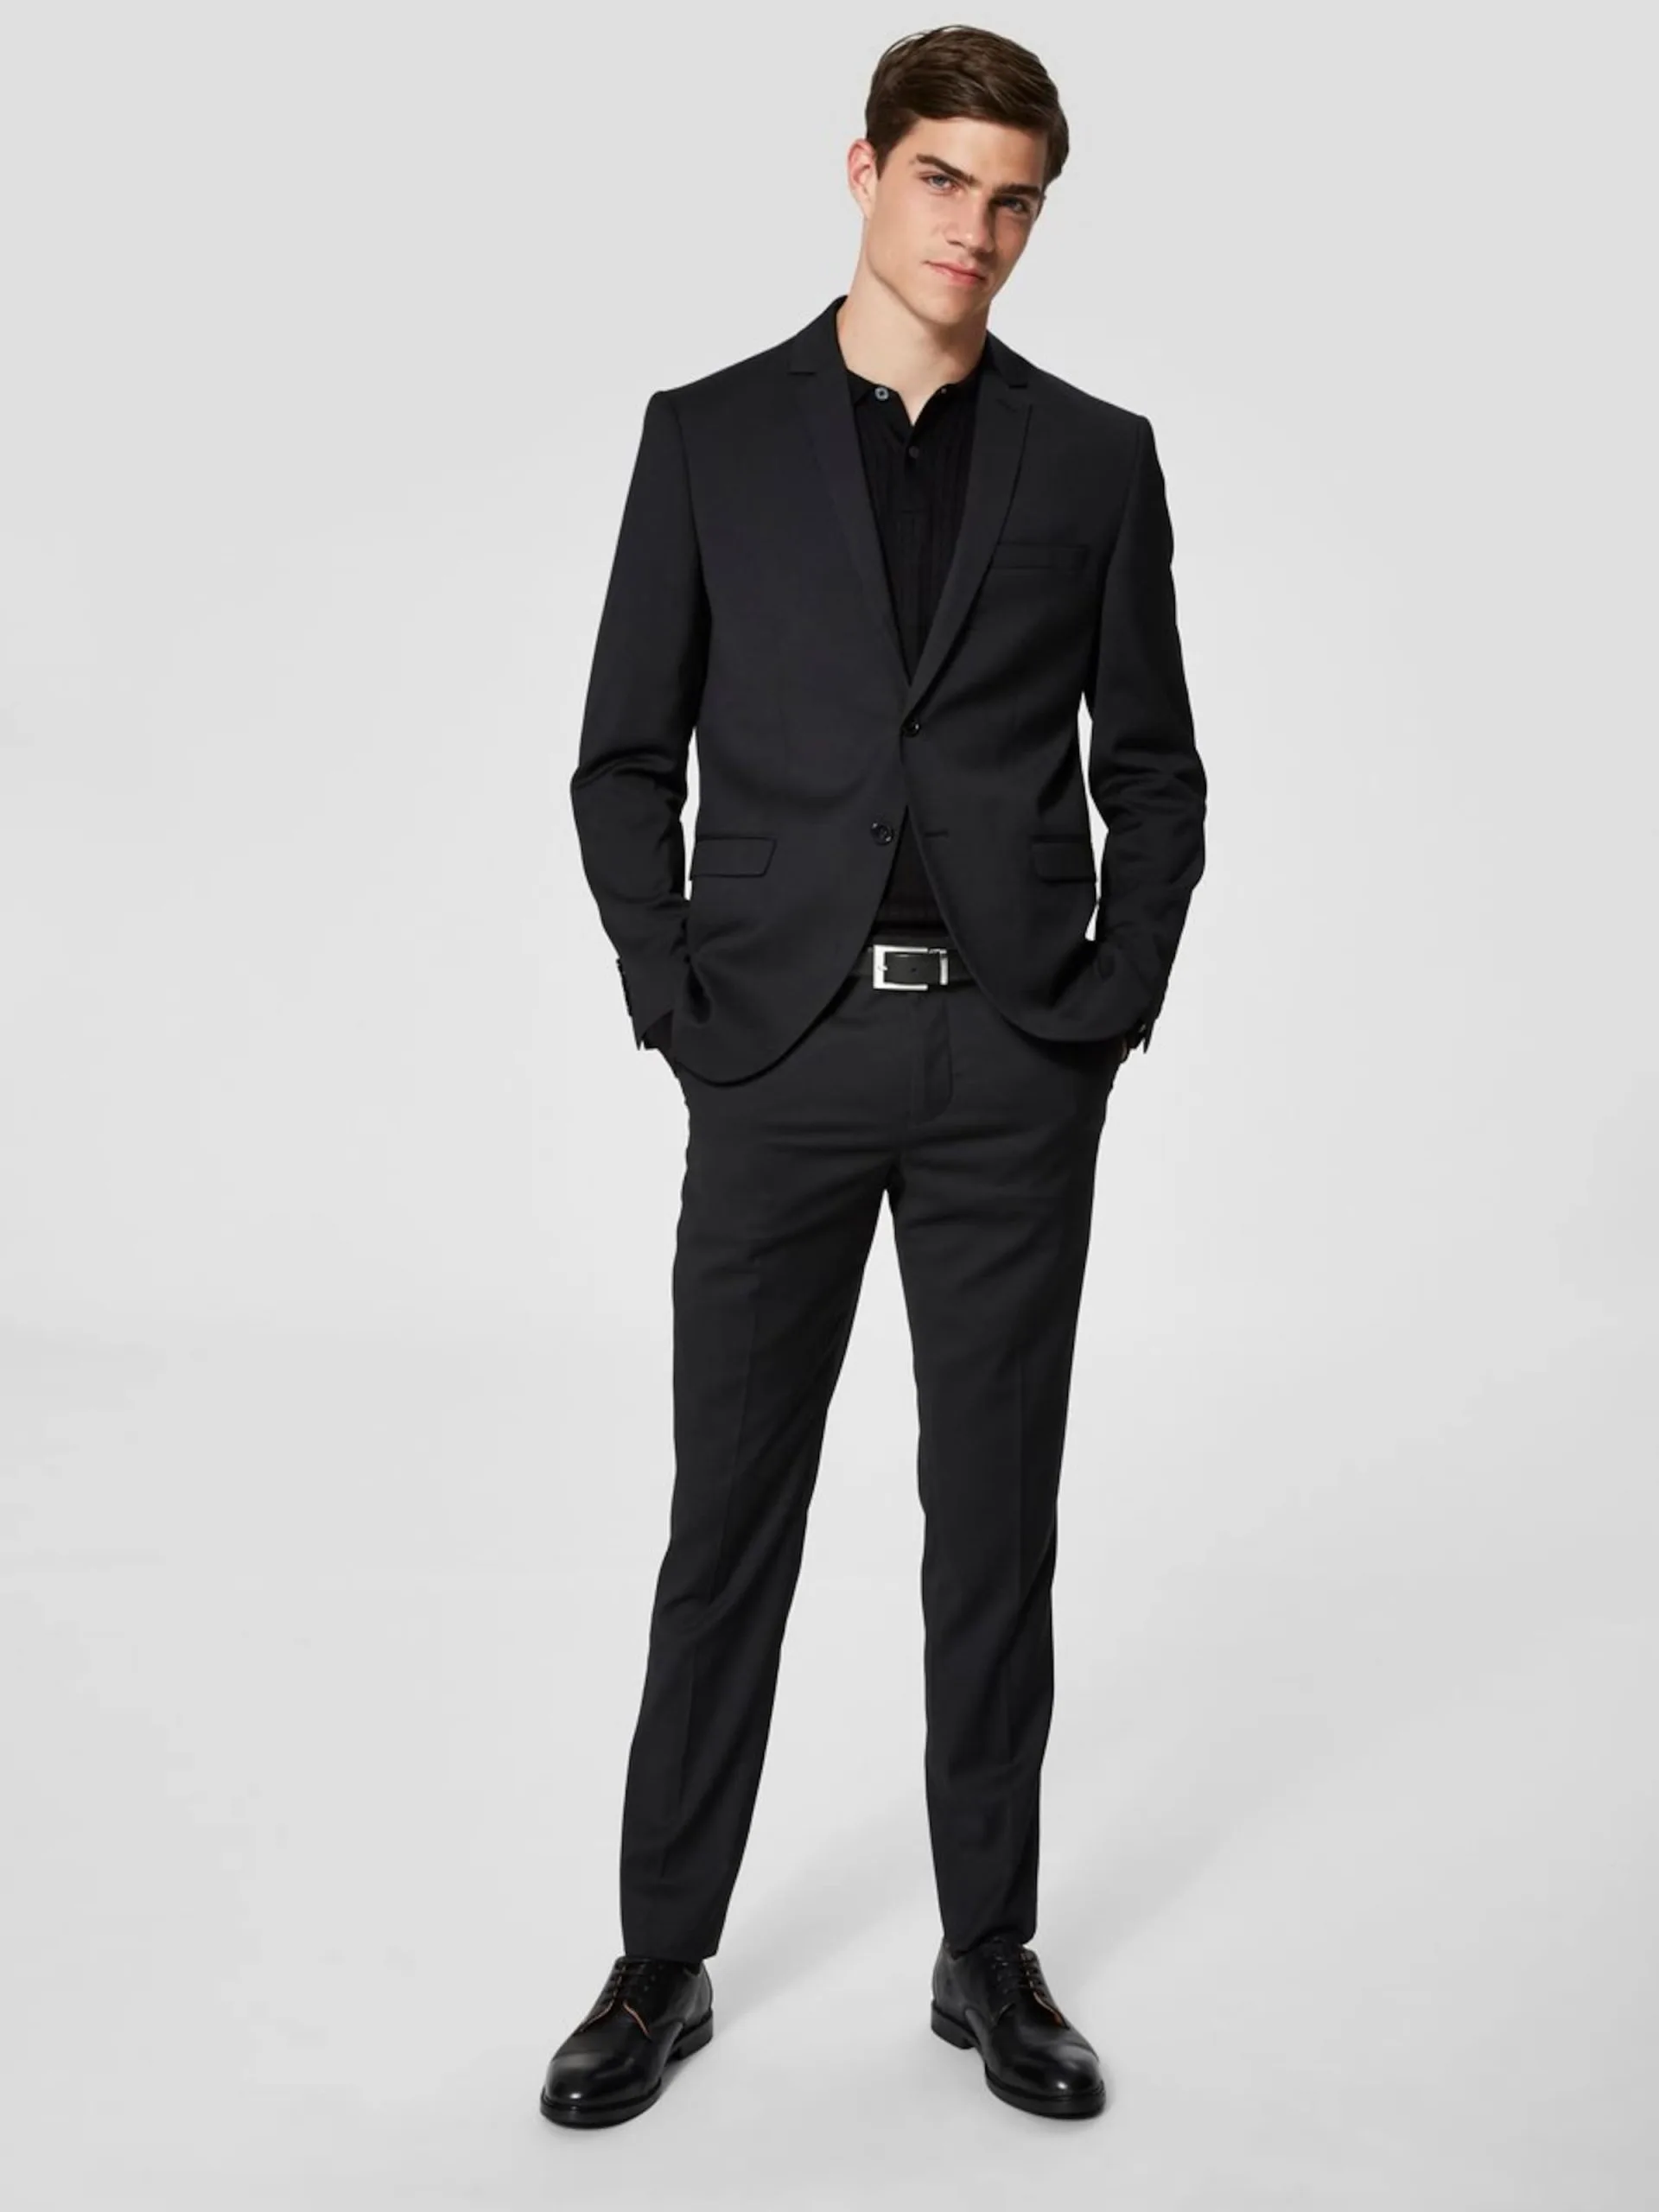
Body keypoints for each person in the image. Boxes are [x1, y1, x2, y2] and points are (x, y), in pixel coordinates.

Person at [542, 23, 1205, 2129]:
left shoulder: (1094, 457)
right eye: (943, 181)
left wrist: (1100, 1008)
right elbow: (622, 753)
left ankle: (986, 1948)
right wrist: (679, 1000)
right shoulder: (709, 438)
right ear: (863, 171)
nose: (975, 232)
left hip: (1011, 1063)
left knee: (991, 1520)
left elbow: (1157, 767)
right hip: (781, 1054)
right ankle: (661, 1954)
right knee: (728, 1511)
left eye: (1014, 201)